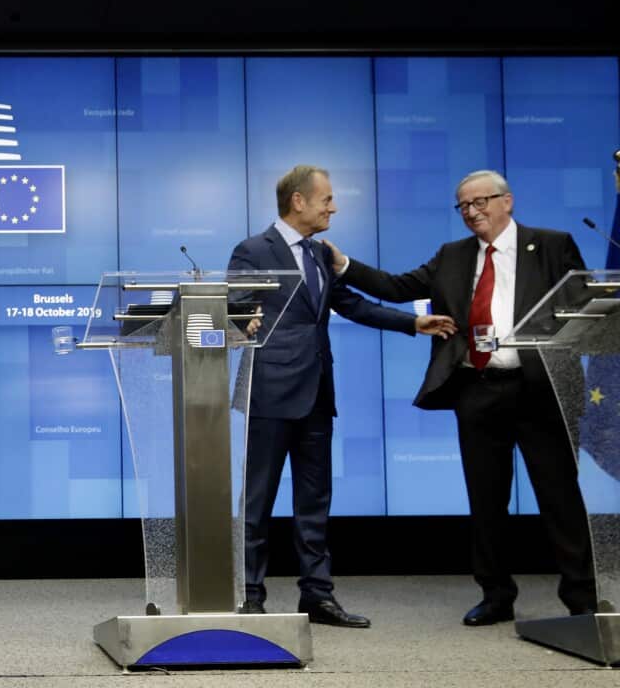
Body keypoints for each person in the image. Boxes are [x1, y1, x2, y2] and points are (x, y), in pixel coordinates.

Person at [326, 169, 596, 625]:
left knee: (560, 497)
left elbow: (582, 302)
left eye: (481, 202)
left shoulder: (552, 244)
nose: (473, 213)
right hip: (478, 388)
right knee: (486, 501)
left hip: (541, 389)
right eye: (464, 206)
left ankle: (582, 598)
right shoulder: (453, 256)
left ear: (507, 201)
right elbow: (397, 287)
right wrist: (344, 266)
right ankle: (496, 595)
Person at [229, 165, 455, 628]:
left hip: (317, 393)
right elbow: (234, 307)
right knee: (257, 501)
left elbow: (352, 304)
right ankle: (250, 596)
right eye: (326, 199)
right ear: (298, 201)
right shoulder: (254, 250)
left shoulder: (319, 254)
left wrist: (412, 323)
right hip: (270, 392)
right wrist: (238, 321)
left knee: (315, 502)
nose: (333, 206)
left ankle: (317, 595)